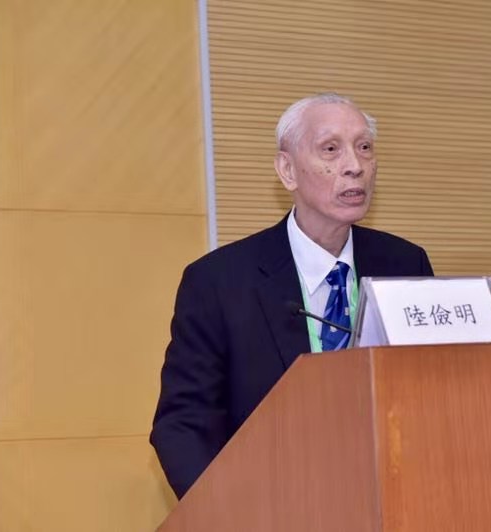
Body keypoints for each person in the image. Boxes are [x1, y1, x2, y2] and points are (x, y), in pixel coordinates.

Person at [150, 93, 434, 499]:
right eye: (331, 149)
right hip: (270, 504)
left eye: (364, 147)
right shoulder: (218, 281)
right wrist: (225, 511)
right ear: (287, 170)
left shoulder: (405, 263)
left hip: (393, 500)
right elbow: (183, 423)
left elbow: (432, 395)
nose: (355, 166)